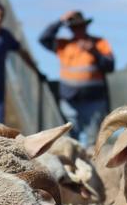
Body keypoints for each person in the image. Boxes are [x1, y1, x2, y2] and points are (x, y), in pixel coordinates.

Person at [39, 11, 114, 146]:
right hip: (70, 100)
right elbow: (44, 39)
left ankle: (93, 165)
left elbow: (110, 66)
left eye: (80, 26)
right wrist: (60, 21)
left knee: (93, 140)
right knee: (71, 139)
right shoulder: (64, 45)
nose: (77, 30)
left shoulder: (99, 43)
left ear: (85, 27)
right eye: (74, 27)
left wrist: (94, 52)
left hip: (94, 100)